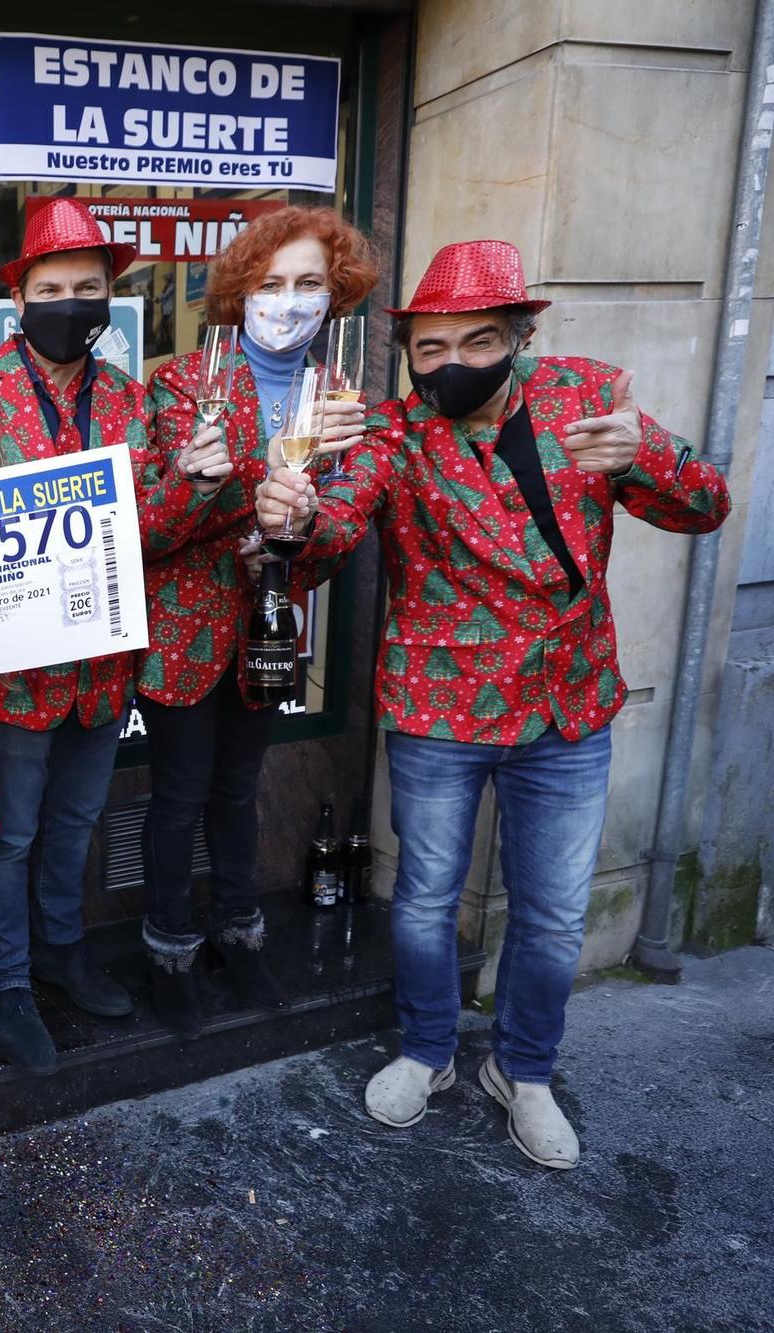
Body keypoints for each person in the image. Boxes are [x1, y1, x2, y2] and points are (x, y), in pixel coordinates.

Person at [253, 240, 730, 1168]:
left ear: (517, 336)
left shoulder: (586, 397)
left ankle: (526, 1069)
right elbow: (337, 522)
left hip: (567, 705)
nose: (450, 364)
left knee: (551, 913)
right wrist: (296, 514)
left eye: (475, 342)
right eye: (428, 348)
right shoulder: (396, 431)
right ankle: (428, 1050)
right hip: (440, 707)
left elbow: (704, 507)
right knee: (426, 900)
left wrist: (650, 455)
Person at [0, 197, 210, 1074]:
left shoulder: (130, 398)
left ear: (108, 297)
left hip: (105, 664)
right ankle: (5, 979)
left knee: (75, 821)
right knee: (11, 833)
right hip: (13, 674)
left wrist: (194, 486)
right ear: (21, 297)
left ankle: (61, 950)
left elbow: (152, 526)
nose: (69, 301)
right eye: (51, 287)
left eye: (87, 287)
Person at [137, 207, 378, 1035]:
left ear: (334, 294)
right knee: (176, 797)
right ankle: (168, 946)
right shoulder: (182, 384)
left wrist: (303, 524)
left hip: (267, 627)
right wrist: (249, 492)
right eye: (271, 284)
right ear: (240, 292)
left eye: (308, 283)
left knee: (240, 791)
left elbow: (344, 530)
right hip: (183, 629)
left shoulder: (341, 402)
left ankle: (239, 932)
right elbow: (157, 522)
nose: (289, 300)